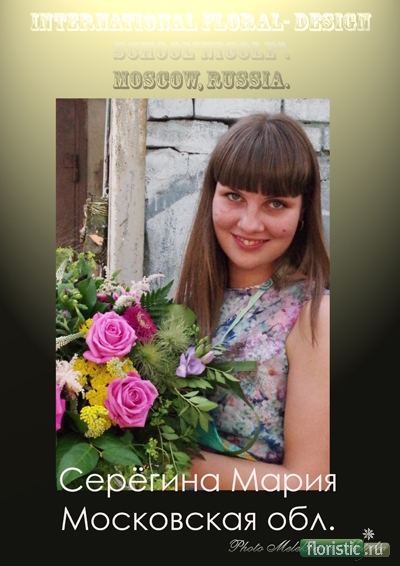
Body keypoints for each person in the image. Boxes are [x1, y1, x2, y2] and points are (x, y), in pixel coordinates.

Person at [175, 112, 330, 491]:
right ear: (212, 195)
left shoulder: (314, 316)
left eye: (275, 203)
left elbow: (308, 482)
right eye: (234, 196)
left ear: (303, 212)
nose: (249, 223)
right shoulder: (187, 300)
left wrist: (169, 465)